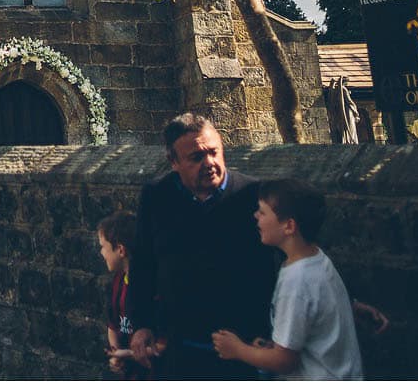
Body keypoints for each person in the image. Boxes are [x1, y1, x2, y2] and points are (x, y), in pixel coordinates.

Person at [127, 113, 278, 379]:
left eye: (214, 152)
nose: (209, 163)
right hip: (181, 348)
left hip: (244, 346)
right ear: (173, 162)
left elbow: (288, 257)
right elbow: (143, 263)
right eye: (196, 157)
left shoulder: (252, 195)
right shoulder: (157, 196)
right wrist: (141, 325)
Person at [211, 179, 364, 379]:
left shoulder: (296, 281)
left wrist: (238, 350)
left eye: (262, 212)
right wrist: (271, 348)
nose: (256, 216)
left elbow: (284, 362)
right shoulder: (315, 258)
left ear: (289, 226)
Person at [97, 211, 145, 377]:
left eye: (103, 247)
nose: (101, 253)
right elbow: (113, 325)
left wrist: (130, 354)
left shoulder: (152, 288)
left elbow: (163, 343)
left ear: (120, 249)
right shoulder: (117, 281)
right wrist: (116, 354)